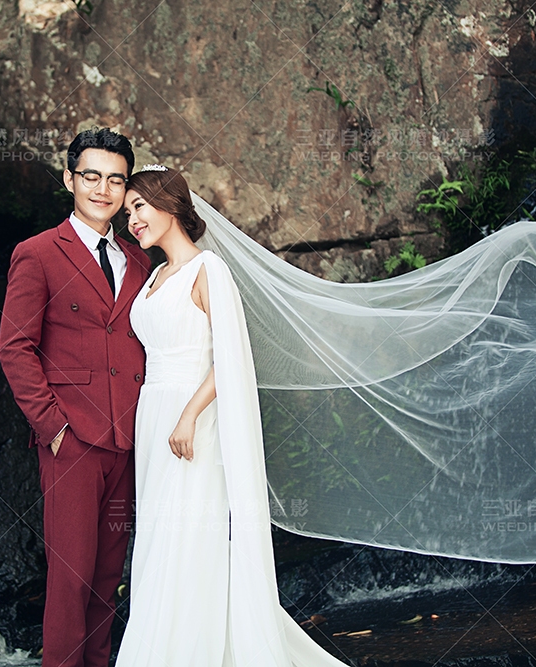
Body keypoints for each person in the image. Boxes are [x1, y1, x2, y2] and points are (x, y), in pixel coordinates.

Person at [116, 165, 351, 666]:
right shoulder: (155, 275)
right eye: (128, 210)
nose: (131, 219)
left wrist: (188, 415)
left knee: (188, 537)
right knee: (159, 538)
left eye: (139, 206)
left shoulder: (209, 270)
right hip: (153, 418)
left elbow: (232, 356)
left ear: (170, 205)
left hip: (192, 420)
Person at [0, 128, 151, 667]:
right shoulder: (37, 253)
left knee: (108, 578)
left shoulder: (139, 260)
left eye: (115, 180)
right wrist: (54, 429)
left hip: (129, 440)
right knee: (71, 580)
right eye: (91, 176)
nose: (103, 189)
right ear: (69, 179)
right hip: (73, 442)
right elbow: (15, 347)